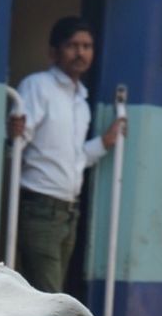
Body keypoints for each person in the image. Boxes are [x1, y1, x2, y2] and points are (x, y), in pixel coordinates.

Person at [10, 16, 126, 293]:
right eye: (73, 45)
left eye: (87, 46)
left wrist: (105, 142)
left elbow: (74, 159)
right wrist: (12, 133)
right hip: (39, 208)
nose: (81, 53)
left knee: (49, 295)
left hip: (68, 213)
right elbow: (17, 143)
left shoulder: (81, 102)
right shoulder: (38, 86)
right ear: (54, 52)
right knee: (50, 298)